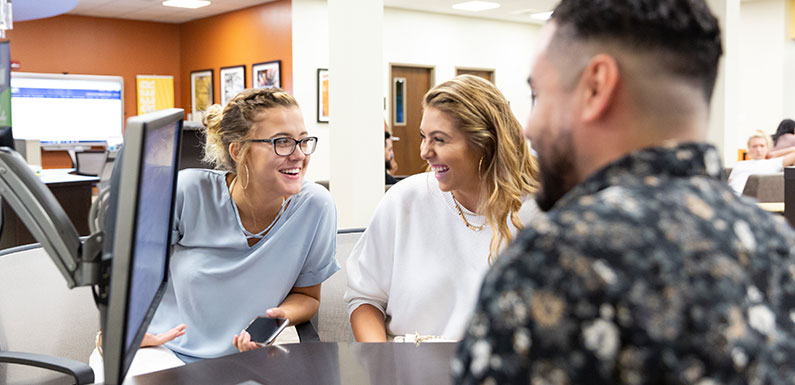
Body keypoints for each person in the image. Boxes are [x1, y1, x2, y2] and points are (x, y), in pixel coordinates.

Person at [454, 1, 795, 384]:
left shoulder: (558, 259)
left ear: (596, 86)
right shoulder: (778, 251)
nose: (529, 129)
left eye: (538, 96)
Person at [91, 88, 340, 380]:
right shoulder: (186, 193)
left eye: (303, 141)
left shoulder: (315, 206)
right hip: (162, 349)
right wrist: (118, 334)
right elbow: (130, 279)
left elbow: (307, 296)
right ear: (238, 150)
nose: (298, 155)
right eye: (282, 142)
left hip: (246, 357)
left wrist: (275, 321)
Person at [345, 74, 541, 342]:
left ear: (484, 143)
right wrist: (382, 366)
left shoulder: (538, 214)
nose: (424, 152)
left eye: (439, 139)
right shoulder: (404, 200)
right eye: (423, 136)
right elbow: (365, 298)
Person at [728, 129, 795, 194]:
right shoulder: (740, 164)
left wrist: (776, 153)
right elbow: (728, 183)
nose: (758, 150)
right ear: (749, 148)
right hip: (730, 196)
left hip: (749, 198)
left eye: (762, 146)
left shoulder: (773, 163)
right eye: (754, 146)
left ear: (768, 147)